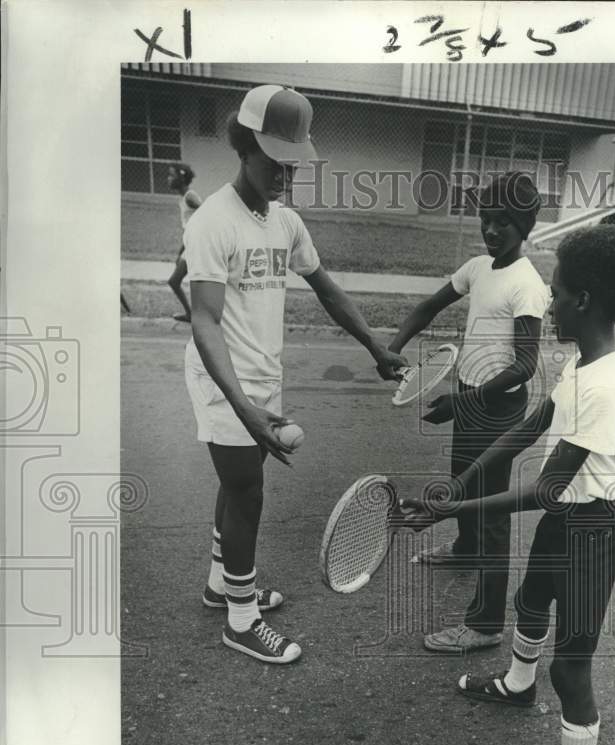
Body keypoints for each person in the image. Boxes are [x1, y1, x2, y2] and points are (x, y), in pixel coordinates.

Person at [402, 225, 615, 745]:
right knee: (528, 600)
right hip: (568, 515)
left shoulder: (604, 384)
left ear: (584, 301)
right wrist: (452, 488)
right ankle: (515, 684)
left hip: (594, 526)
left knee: (571, 669)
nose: (551, 302)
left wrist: (453, 510)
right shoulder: (579, 363)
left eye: (559, 293)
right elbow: (528, 428)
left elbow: (543, 489)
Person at [183, 84, 405, 664]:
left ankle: (220, 585)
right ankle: (241, 619)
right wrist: (242, 407)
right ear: (244, 145)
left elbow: (327, 291)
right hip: (222, 380)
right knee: (247, 493)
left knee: (237, 486)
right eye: (274, 159)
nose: (285, 172)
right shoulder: (212, 222)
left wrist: (376, 348)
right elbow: (204, 321)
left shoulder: (285, 223)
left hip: (262, 376)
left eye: (293, 161)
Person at [390, 172, 549, 654]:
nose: (492, 229)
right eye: (486, 218)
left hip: (497, 410)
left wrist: (462, 402)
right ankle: (463, 549)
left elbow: (524, 365)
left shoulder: (527, 284)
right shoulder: (479, 267)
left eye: (504, 222)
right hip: (471, 397)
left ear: (524, 227)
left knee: (493, 515)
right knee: (462, 475)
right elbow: (428, 307)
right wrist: (393, 349)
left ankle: (485, 625)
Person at [168, 162, 202, 323]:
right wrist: (180, 253)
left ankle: (194, 315)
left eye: (172, 175)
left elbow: (208, 214)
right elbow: (187, 230)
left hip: (198, 246)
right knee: (176, 282)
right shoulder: (183, 198)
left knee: (176, 281)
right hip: (190, 246)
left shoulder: (190, 196)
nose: (168, 179)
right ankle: (191, 315)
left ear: (181, 178)